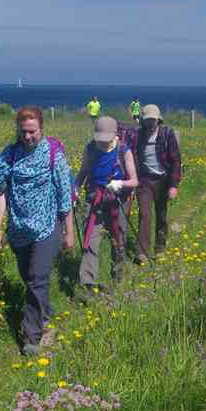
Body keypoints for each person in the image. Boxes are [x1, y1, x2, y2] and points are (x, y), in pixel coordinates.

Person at [0, 106, 75, 356]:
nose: (28, 137)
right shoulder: (10, 156)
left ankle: (31, 337)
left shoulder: (53, 155)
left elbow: (64, 194)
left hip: (47, 227)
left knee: (37, 277)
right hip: (19, 229)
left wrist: (69, 231)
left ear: (42, 129)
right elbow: (0, 191)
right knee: (29, 278)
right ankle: (45, 314)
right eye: (24, 132)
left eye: (32, 132)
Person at [73, 116, 139, 298]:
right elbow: (83, 173)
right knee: (90, 242)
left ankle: (118, 280)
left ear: (114, 135)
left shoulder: (123, 151)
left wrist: (120, 184)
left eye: (105, 139)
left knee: (118, 241)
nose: (101, 143)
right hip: (94, 200)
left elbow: (134, 181)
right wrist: (75, 189)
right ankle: (87, 285)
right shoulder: (90, 149)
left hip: (118, 201)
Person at [132, 104, 182, 263]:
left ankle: (160, 248)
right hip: (145, 181)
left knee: (161, 215)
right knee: (144, 214)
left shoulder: (167, 135)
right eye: (147, 120)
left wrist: (173, 185)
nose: (150, 123)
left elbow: (175, 161)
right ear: (143, 121)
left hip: (163, 180)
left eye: (153, 120)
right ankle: (142, 252)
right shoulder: (138, 135)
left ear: (158, 120)